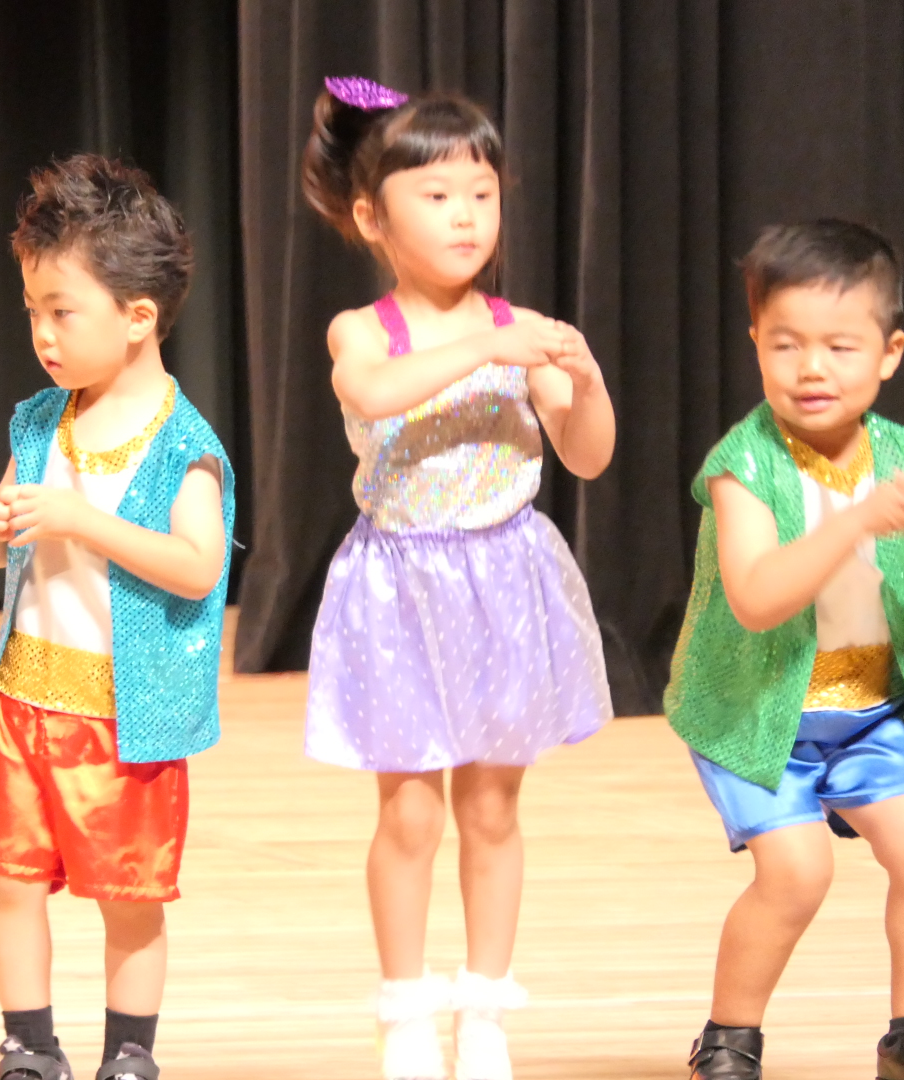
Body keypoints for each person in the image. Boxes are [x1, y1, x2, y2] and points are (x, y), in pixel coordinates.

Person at [298, 76, 616, 1080]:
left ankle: (483, 1010)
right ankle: (404, 1010)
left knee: (491, 809)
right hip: (400, 590)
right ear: (371, 217)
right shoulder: (365, 329)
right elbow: (372, 392)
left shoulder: (523, 328)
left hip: (506, 585)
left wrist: (585, 381)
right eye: (436, 196)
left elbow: (587, 455)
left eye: (482, 193)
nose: (466, 215)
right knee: (410, 813)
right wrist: (490, 347)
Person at [0, 153, 233, 1080]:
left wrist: (83, 520)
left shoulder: (184, 446)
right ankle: (29, 1046)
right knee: (9, 881)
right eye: (32, 309)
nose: (42, 333)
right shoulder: (40, 424)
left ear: (138, 316)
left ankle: (129, 1054)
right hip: (21, 704)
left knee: (131, 898)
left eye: (62, 311)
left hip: (123, 717)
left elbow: (198, 567)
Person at [666, 220, 904, 1080]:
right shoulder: (742, 467)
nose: (813, 368)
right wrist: (858, 520)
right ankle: (729, 1039)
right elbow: (758, 598)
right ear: (755, 344)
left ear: (888, 354)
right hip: (758, 713)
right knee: (797, 875)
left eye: (840, 347)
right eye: (786, 344)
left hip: (871, 714)